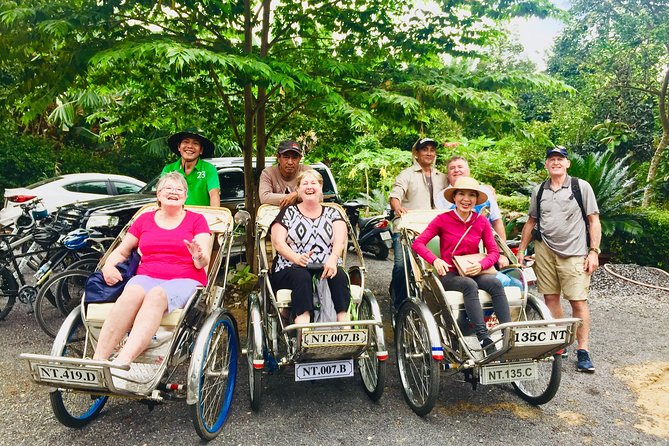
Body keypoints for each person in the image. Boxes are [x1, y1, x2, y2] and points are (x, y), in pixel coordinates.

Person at [93, 172, 212, 365]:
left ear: (186, 196)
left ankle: (123, 360)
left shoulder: (196, 220)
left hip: (186, 278)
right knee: (131, 293)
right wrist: (108, 266)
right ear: (158, 194)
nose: (174, 192)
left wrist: (198, 255)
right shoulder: (144, 220)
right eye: (168, 188)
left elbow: (202, 260)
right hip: (147, 276)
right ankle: (98, 361)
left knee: (157, 295)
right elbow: (121, 252)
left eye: (179, 189)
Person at [517, 146, 601, 373]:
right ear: (546, 164)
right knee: (550, 297)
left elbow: (593, 220)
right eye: (551, 159)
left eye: (560, 159)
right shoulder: (540, 190)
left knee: (578, 300)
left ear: (567, 163)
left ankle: (583, 350)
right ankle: (560, 343)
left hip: (574, 252)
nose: (556, 162)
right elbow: (531, 222)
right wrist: (521, 250)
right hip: (544, 250)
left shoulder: (580, 187)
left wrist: (594, 251)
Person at [412, 177, 511, 352]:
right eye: (461, 194)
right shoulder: (443, 219)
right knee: (469, 284)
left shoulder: (481, 221)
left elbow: (494, 252)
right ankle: (483, 338)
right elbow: (418, 243)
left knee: (495, 283)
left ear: (476, 200)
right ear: (455, 197)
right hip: (450, 274)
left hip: (474, 270)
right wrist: (435, 260)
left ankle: (508, 332)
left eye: (471, 195)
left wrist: (481, 265)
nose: (466, 199)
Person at [269, 169, 350, 324]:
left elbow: (340, 240)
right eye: (305, 183)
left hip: (326, 264)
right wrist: (296, 258)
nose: (309, 187)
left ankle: (344, 325)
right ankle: (303, 325)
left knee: (338, 275)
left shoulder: (333, 212)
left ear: (320, 187)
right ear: (298, 189)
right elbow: (278, 242)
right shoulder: (288, 212)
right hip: (291, 267)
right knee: (302, 276)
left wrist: (333, 259)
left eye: (313, 183)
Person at [388, 137, 447, 309]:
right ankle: (399, 303)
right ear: (417, 153)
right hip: (408, 227)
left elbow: (457, 190)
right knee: (402, 265)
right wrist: (397, 207)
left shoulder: (441, 176)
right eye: (424, 149)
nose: (429, 153)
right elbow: (395, 194)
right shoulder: (406, 174)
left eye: (432, 150)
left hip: (434, 228)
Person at [435, 155, 509, 268]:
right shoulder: (441, 197)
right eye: (452, 168)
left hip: (488, 251)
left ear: (468, 171)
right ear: (448, 174)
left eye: (460, 166)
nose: (456, 170)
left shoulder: (485, 192)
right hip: (458, 256)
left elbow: (497, 221)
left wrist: (502, 253)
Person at [162, 129, 221, 207]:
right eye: (186, 142)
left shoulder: (209, 169)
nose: (190, 146)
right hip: (174, 217)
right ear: (179, 147)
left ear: (201, 150)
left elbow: (214, 194)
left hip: (201, 217)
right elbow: (162, 196)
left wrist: (214, 216)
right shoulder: (168, 169)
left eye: (195, 143)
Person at [259, 140, 310, 207]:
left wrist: (297, 194)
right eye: (286, 157)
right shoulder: (268, 173)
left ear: (300, 158)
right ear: (278, 157)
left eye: (294, 157)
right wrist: (294, 197)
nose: (290, 162)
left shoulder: (307, 172)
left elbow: (319, 196)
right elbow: (264, 197)